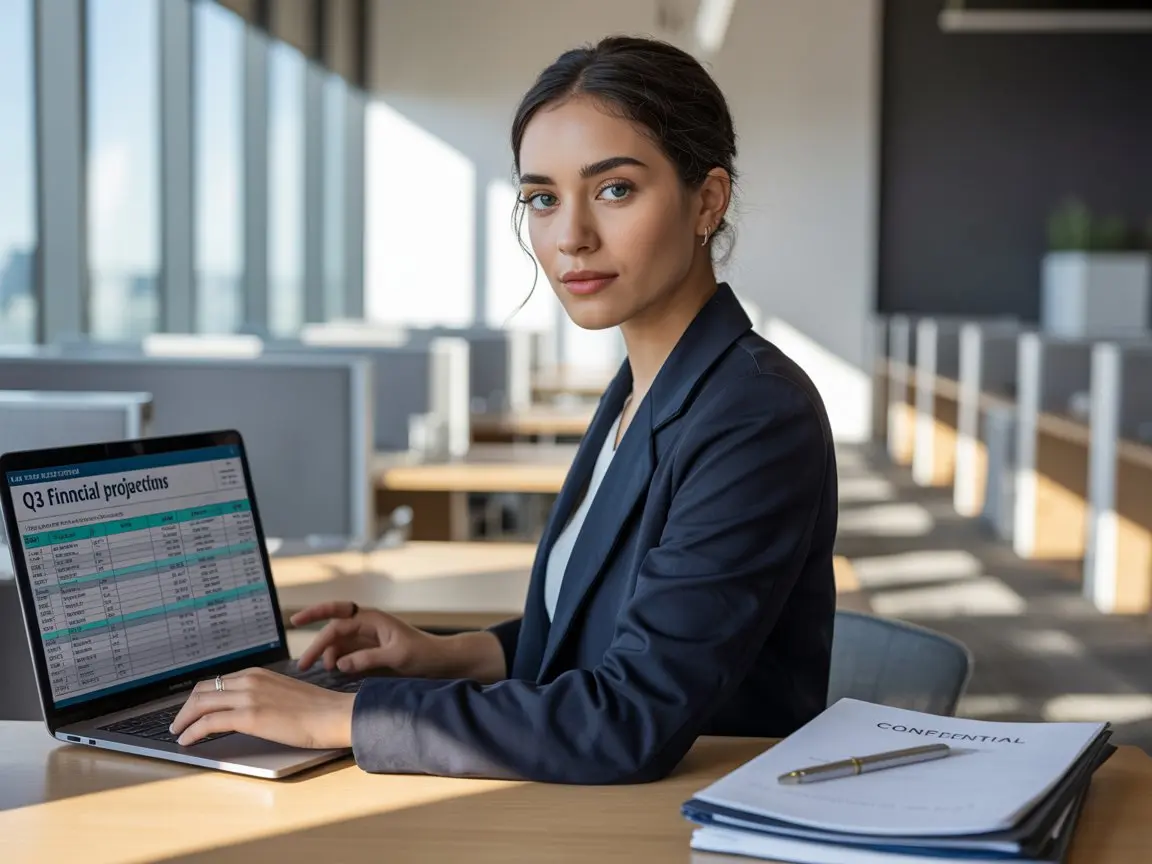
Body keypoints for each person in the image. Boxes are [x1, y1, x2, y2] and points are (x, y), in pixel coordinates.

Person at [170, 35, 838, 784]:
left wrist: (341, 717)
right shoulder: (640, 389)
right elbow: (612, 625)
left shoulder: (753, 415)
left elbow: (630, 717)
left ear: (707, 201)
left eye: (614, 189)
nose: (570, 237)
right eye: (542, 199)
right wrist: (445, 652)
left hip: (686, 817)